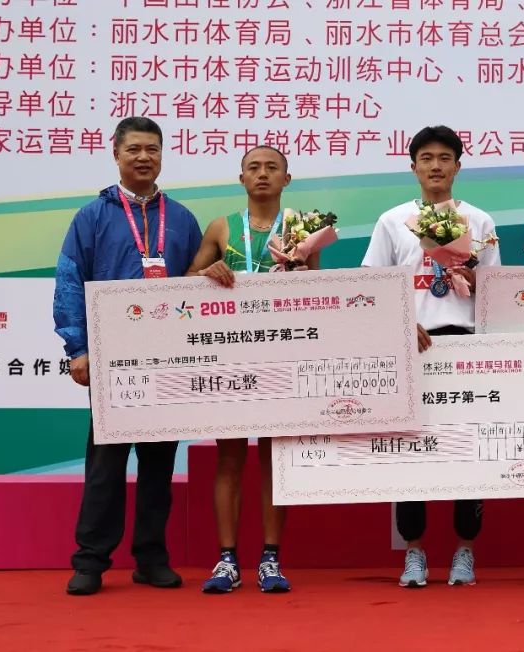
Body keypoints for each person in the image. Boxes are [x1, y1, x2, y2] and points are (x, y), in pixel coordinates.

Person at [54, 117, 203, 595]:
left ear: (162, 156)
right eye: (134, 149)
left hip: (169, 360)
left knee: (159, 464)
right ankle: (90, 561)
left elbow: (197, 286)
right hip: (112, 359)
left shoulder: (181, 218)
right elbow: (70, 280)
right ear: (115, 154)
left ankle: (151, 558)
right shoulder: (92, 216)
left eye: (152, 149)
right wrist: (78, 348)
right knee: (106, 464)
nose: (144, 157)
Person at [361, 126, 501, 588]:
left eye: (444, 158)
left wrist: (471, 276)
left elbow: (499, 292)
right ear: (413, 166)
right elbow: (374, 287)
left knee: (468, 451)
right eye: (426, 158)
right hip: (413, 346)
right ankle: (414, 552)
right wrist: (402, 324)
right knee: (410, 451)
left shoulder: (479, 221)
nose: (435, 166)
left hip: (466, 344)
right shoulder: (392, 221)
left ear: (458, 166)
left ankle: (465, 550)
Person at [185, 146, 319, 594]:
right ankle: (226, 560)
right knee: (229, 458)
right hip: (230, 358)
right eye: (253, 168)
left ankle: (270, 558)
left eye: (272, 168)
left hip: (281, 357)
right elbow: (183, 284)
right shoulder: (221, 227)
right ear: (240, 178)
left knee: (273, 459)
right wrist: (208, 272)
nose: (263, 174)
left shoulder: (304, 228)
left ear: (287, 179)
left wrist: (300, 276)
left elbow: (318, 293)